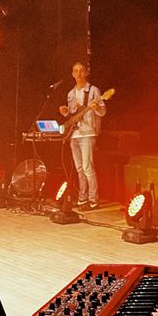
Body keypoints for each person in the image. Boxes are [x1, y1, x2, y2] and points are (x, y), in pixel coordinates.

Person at [59, 61, 106, 211]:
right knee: (79, 168)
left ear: (86, 73)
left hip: (88, 133)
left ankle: (93, 200)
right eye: (76, 71)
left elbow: (102, 112)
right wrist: (65, 112)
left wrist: (96, 106)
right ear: (72, 74)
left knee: (87, 167)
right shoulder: (71, 94)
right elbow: (72, 115)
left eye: (81, 71)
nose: (79, 74)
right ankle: (82, 198)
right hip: (75, 134)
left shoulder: (93, 91)